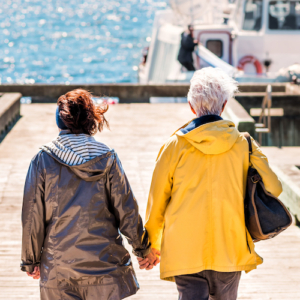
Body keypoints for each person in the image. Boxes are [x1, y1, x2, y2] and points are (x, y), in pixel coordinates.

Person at [139, 67, 283, 300]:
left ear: (191, 106)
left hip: (185, 251)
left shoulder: (174, 146)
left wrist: (151, 246)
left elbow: (156, 203)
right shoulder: (243, 144)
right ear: (224, 105)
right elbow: (274, 188)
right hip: (230, 247)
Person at [21, 89, 153, 300]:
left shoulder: (42, 160)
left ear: (60, 121)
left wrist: (31, 260)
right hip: (106, 267)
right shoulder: (108, 158)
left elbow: (32, 218)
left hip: (59, 269)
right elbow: (126, 210)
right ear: (91, 121)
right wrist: (143, 249)